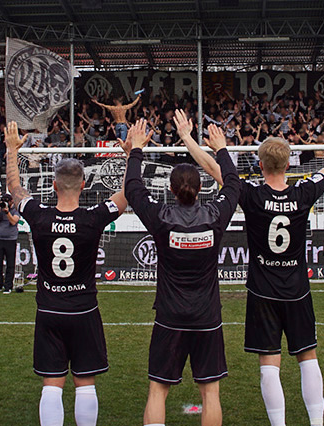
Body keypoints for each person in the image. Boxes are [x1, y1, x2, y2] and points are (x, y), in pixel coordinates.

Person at [180, 104, 324, 426]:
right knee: (307, 357)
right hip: (297, 290)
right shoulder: (304, 192)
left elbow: (213, 168)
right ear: (288, 164)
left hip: (263, 291)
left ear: (260, 165)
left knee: (269, 364)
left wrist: (188, 138)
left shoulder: (251, 194)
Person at [3, 121, 127, 426]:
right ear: (83, 185)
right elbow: (128, 195)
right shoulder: (93, 218)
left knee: (51, 383)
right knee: (85, 383)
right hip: (84, 310)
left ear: (54, 185)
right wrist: (130, 154)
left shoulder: (37, 215)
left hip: (49, 311)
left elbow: (14, 188)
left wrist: (11, 150)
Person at [124, 119, 241, 426]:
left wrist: (136, 150)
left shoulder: (161, 217)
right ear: (200, 188)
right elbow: (233, 184)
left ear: (171, 190)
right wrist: (222, 148)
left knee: (158, 390)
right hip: (206, 315)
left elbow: (133, 189)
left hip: (170, 315)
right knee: (210, 393)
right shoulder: (214, 215)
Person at [0, 193, 21, 294]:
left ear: (11, 202)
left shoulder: (15, 210)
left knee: (10, 264)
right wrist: (0, 209)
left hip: (11, 240)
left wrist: (7, 212)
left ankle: (8, 286)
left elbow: (13, 221)